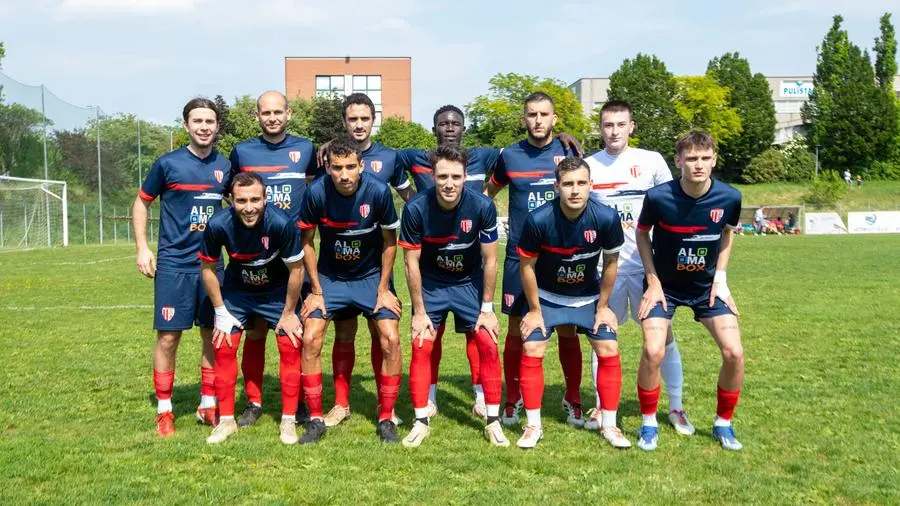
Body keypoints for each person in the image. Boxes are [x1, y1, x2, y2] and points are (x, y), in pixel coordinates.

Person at [395, 105, 584, 419]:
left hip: (473, 264)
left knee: (478, 332)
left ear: (464, 129)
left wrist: (559, 137)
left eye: (456, 123)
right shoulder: (415, 156)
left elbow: (523, 150)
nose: (450, 128)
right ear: (434, 129)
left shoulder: (487, 155)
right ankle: (428, 396)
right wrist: (411, 198)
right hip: (433, 262)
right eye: (443, 123)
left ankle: (483, 395)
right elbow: (378, 154)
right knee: (432, 333)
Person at [583, 100, 694, 436]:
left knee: (661, 339)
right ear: (600, 128)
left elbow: (671, 207)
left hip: (649, 269)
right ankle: (602, 405)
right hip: (608, 268)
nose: (614, 131)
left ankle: (676, 406)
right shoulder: (590, 166)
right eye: (607, 125)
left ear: (632, 126)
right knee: (602, 336)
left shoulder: (651, 162)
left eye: (620, 124)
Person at [635, 130, 745, 452]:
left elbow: (726, 234)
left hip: (705, 289)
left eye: (705, 158)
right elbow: (642, 235)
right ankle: (648, 423)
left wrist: (721, 279)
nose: (698, 165)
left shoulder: (730, 197)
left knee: (734, 352)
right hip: (664, 288)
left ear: (714, 160)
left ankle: (723, 424)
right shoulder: (658, 197)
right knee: (653, 350)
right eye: (692, 158)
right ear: (679, 160)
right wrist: (652, 280)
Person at [485, 92, 584, 428]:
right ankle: (511, 400)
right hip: (519, 255)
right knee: (517, 327)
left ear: (555, 119)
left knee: (568, 327)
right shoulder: (509, 156)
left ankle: (573, 397)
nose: (538, 120)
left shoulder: (569, 151)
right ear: (523, 119)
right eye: (532, 114)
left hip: (561, 256)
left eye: (544, 114)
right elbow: (488, 195)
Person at [132, 97, 230, 437]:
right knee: (169, 337)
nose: (204, 127)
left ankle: (207, 404)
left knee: (211, 335)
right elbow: (142, 202)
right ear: (186, 125)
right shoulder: (168, 164)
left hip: (212, 266)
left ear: (217, 126)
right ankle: (164, 410)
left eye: (209, 121)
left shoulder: (225, 166)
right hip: (174, 264)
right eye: (197, 121)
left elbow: (242, 206)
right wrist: (143, 247)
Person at [398, 144, 508, 447]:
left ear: (465, 177)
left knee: (487, 340)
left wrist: (487, 308)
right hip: (432, 284)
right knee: (422, 343)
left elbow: (491, 260)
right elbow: (410, 263)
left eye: (456, 177)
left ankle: (493, 420)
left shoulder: (482, 207)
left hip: (467, 284)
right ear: (432, 176)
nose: (449, 183)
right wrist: (419, 312)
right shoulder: (416, 208)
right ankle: (421, 420)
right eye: (443, 176)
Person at [515, 157, 628, 449]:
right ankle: (533, 426)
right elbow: (526, 266)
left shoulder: (605, 217)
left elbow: (611, 262)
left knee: (609, 346)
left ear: (591, 185)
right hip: (548, 298)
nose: (575, 190)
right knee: (532, 345)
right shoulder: (539, 219)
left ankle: (610, 425)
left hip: (587, 298)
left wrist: (603, 306)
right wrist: (535, 311)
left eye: (581, 183)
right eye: (568, 184)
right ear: (557, 186)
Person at [316, 93, 414, 428]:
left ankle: (385, 407)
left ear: (374, 120)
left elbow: (408, 197)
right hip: (336, 268)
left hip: (375, 268)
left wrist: (423, 227)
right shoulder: (328, 154)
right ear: (345, 122)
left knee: (382, 333)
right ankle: (341, 404)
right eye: (352, 119)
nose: (359, 124)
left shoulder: (390, 157)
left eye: (365, 119)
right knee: (344, 331)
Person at [298, 134, 403, 444]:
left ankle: (386, 417)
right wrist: (316, 290)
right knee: (311, 336)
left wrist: (384, 288)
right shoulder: (316, 192)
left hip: (371, 276)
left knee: (391, 338)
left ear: (361, 165)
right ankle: (317, 418)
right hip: (331, 277)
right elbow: (306, 242)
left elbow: (389, 242)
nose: (343, 175)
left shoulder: (379, 191)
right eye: (336, 167)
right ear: (328, 167)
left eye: (349, 167)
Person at [227, 91, 315, 427]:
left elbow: (315, 188)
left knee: (298, 330)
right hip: (254, 255)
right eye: (266, 113)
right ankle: (253, 401)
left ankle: (303, 402)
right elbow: (236, 195)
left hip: (292, 253)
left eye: (278, 112)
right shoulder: (243, 151)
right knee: (256, 331)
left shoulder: (306, 149)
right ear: (257, 116)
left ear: (289, 113)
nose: (272, 118)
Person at [199, 172, 305, 445]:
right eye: (242, 200)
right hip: (238, 292)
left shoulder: (281, 223)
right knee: (224, 345)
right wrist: (220, 311)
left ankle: (288, 421)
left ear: (265, 199)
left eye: (255, 200)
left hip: (276, 293)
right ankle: (226, 421)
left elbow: (296, 270)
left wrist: (289, 312)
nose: (249, 207)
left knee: (290, 344)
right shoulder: (218, 224)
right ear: (231, 200)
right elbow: (208, 269)